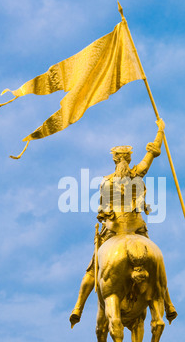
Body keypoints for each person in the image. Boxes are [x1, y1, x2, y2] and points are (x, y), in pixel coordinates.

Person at [70, 119, 177, 327]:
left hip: (114, 232)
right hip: (138, 228)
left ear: (115, 161)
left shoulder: (106, 181)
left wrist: (105, 216)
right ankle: (168, 303)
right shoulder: (137, 173)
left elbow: (103, 211)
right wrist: (161, 132)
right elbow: (153, 152)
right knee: (156, 264)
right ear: (128, 159)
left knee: (93, 271)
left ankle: (78, 308)